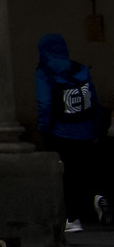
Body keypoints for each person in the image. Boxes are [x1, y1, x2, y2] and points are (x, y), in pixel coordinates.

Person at [37, 34, 106, 232]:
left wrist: (43, 129)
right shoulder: (80, 69)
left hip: (61, 132)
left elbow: (45, 104)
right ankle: (96, 201)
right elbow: (95, 102)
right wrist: (95, 130)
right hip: (84, 131)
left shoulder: (45, 72)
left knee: (65, 176)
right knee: (83, 173)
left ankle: (72, 218)